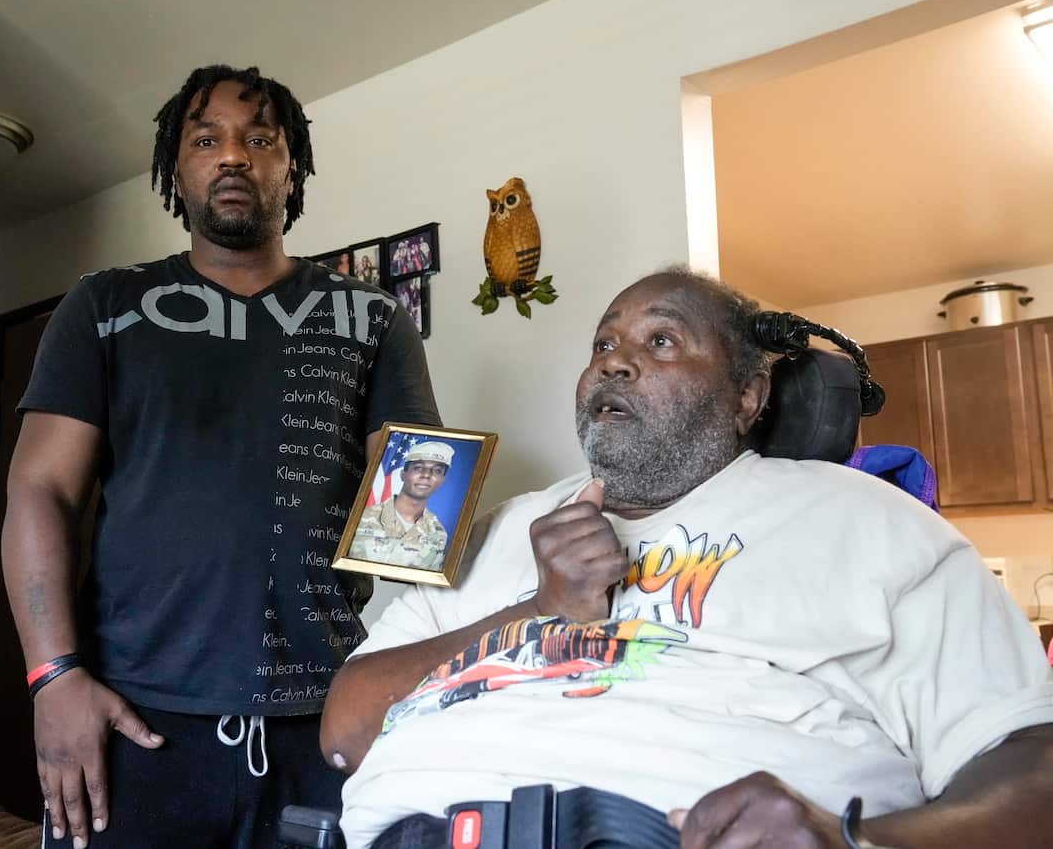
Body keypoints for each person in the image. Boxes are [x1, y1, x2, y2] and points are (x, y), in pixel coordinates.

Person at [320, 269, 1053, 848]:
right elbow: (344, 734)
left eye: (661, 341)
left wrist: (859, 839)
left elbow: (1032, 762)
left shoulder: (870, 522)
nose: (615, 364)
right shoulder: (496, 529)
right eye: (602, 345)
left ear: (747, 396)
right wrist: (535, 610)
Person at [1, 64, 440, 849]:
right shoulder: (105, 305)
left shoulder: (373, 317)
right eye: (207, 139)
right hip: (133, 720)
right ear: (178, 168)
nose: (233, 156)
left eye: (259, 139)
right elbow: (41, 491)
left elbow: (417, 494)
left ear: (291, 166)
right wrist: (53, 676)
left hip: (324, 718)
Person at [350, 441, 453, 570]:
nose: (426, 475)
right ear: (403, 475)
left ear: (442, 480)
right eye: (419, 468)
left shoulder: (438, 534)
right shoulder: (362, 517)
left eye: (437, 471)